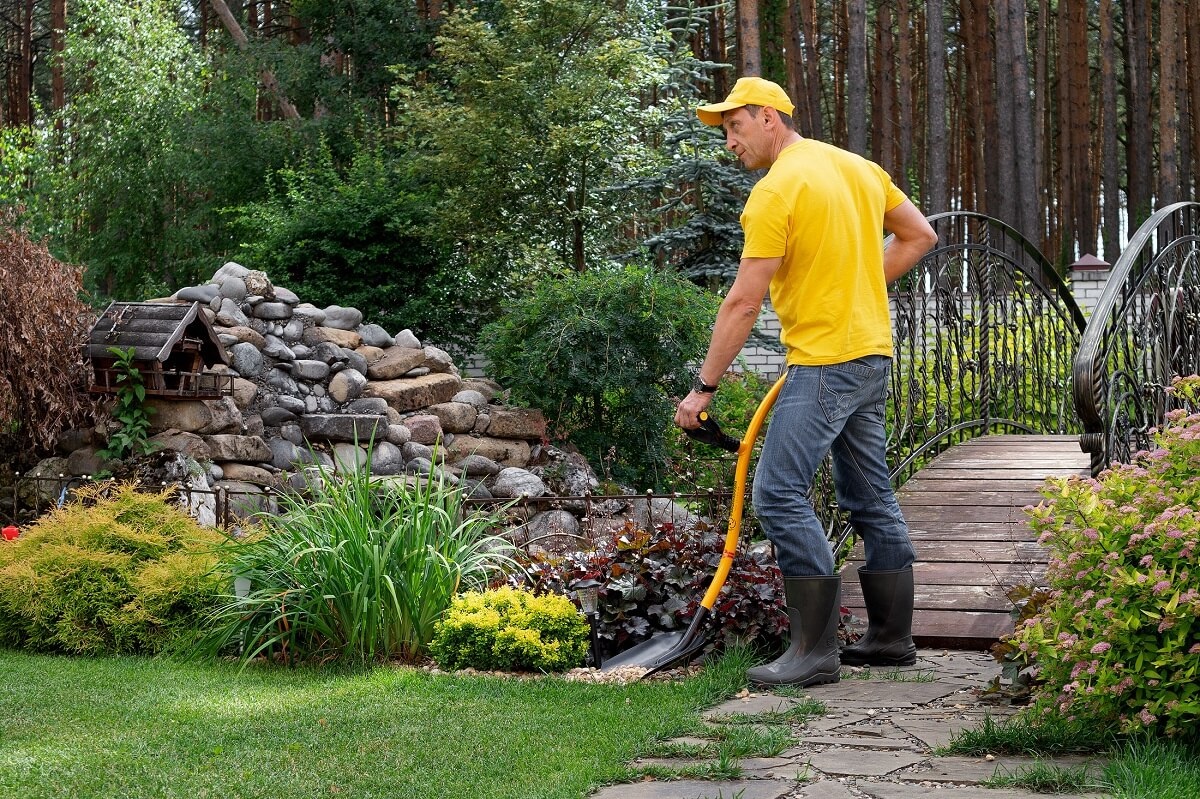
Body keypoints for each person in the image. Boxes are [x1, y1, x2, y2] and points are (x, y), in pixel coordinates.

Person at [675, 77, 938, 687]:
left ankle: (814, 652)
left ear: (769, 118)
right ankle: (890, 639)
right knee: (871, 496)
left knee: (777, 493)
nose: (730, 143)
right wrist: (855, 284)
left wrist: (704, 388)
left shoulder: (776, 191)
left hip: (824, 364)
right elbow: (919, 235)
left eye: (736, 127)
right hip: (871, 356)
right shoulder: (857, 169)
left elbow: (744, 301)